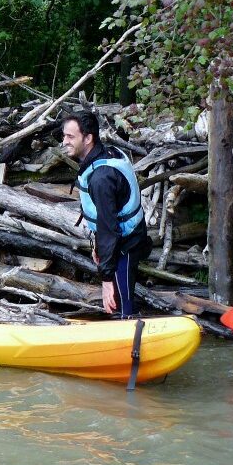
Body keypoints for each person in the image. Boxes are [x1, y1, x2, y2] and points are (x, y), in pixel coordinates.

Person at [61, 112, 151, 317]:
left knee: (118, 305)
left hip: (125, 244)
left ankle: (132, 335)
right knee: (119, 301)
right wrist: (98, 247)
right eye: (64, 136)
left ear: (88, 138)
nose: (64, 141)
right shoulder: (106, 153)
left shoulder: (101, 178)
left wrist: (106, 279)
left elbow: (109, 229)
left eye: (70, 137)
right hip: (124, 238)